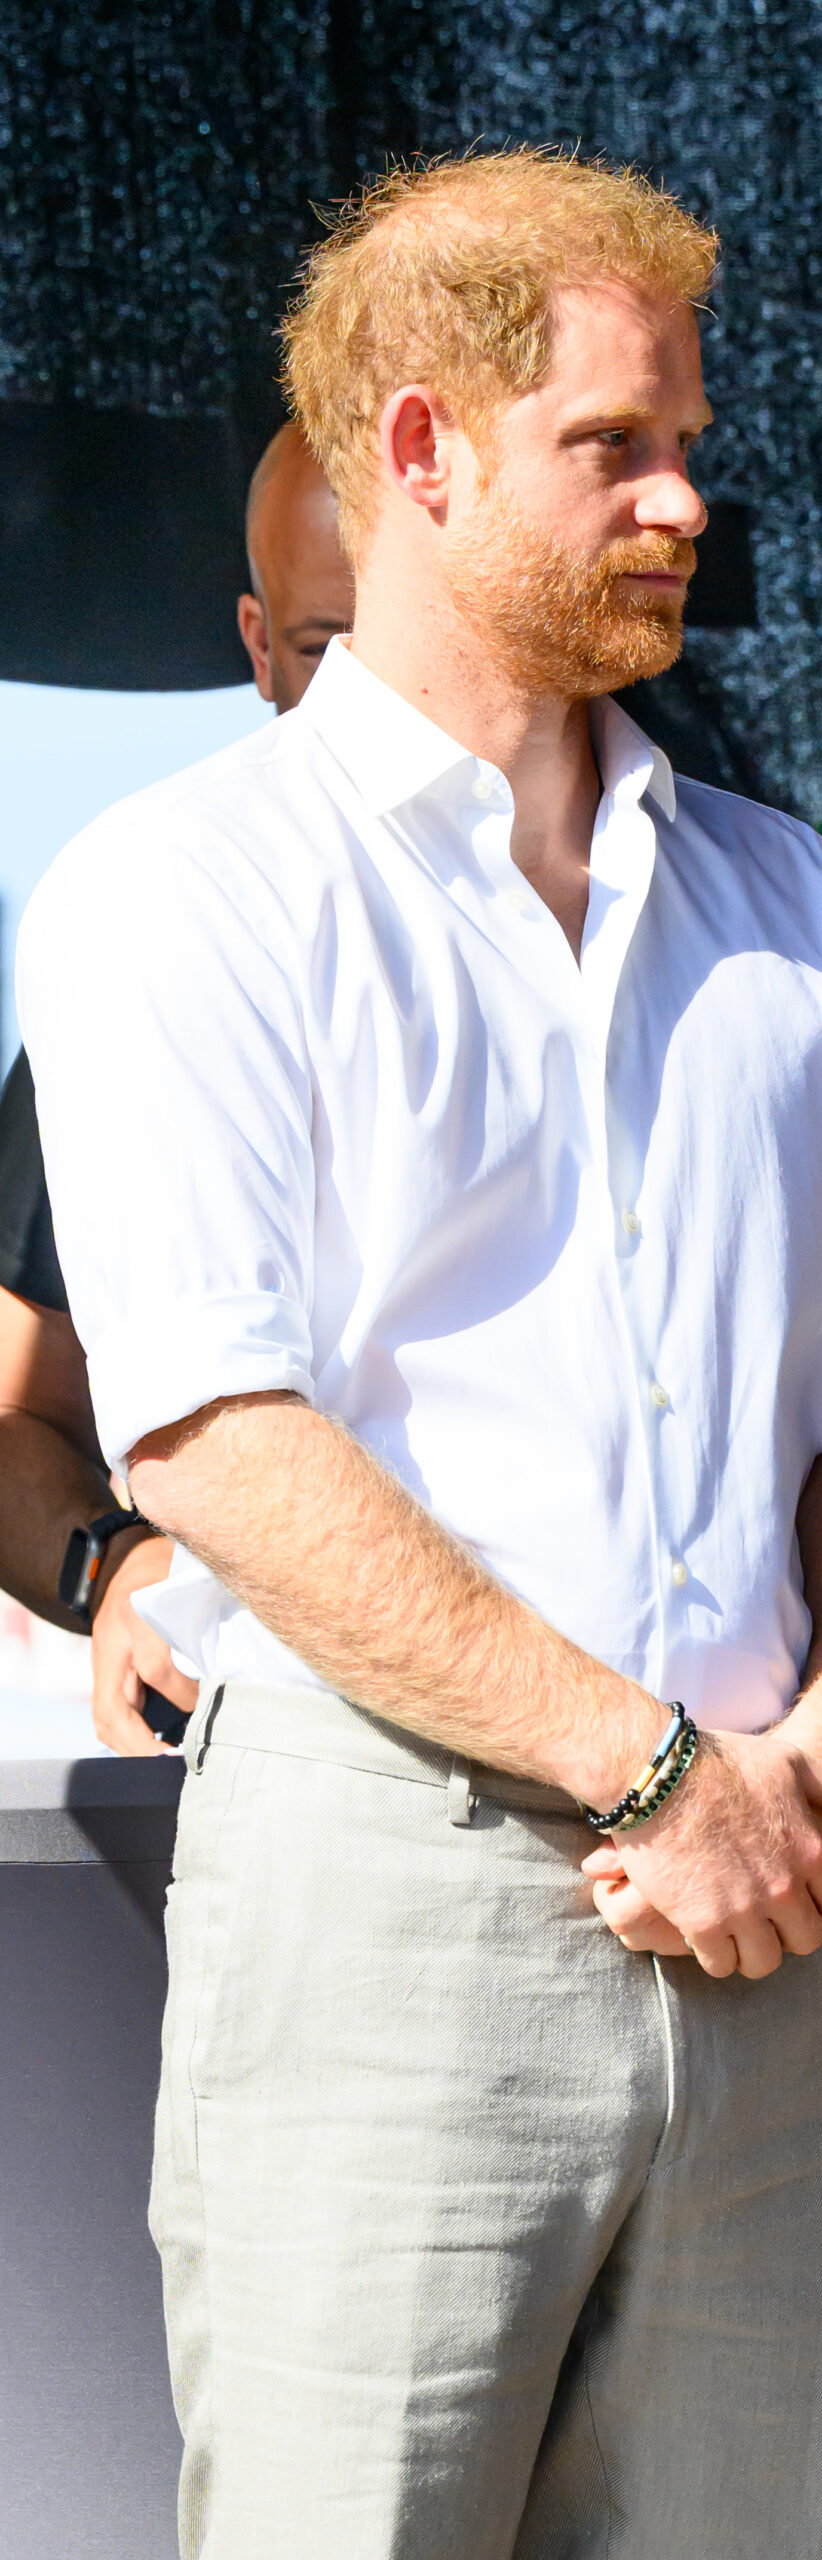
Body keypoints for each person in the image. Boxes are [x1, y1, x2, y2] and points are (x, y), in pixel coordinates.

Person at [19, 147, 822, 2560]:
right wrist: (662, 1768)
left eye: (688, 439)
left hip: (763, 1905)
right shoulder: (181, 888)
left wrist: (808, 1760)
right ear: (423, 450)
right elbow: (213, 1437)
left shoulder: (777, 892)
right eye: (614, 444)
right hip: (396, 1882)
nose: (686, 499)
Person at [0, 421, 354, 1745]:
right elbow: (14, 1411)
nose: (375, 703)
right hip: (275, 1751)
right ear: (257, 647)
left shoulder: (694, 917)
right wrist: (115, 1564)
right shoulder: (147, 953)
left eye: (409, 648)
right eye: (325, 649)